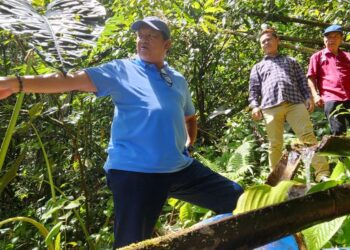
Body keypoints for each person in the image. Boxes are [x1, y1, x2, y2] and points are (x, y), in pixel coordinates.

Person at [0, 16, 243, 248]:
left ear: (167, 44)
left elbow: (189, 116)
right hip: (135, 173)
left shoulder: (177, 80)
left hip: (179, 168)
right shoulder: (121, 71)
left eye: (151, 36)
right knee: (132, 245)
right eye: (139, 35)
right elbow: (70, 80)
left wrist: (189, 143)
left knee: (238, 199)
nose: (143, 40)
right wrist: (16, 83)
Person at [248, 28, 329, 182]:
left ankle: (322, 174)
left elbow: (302, 82)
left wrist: (308, 97)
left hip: (295, 103)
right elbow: (253, 91)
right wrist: (255, 106)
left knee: (307, 137)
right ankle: (278, 181)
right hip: (270, 107)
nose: (265, 43)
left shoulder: (290, 61)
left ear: (277, 40)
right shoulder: (257, 67)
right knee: (275, 144)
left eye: (268, 39)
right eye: (262, 42)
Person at [307, 24, 350, 136]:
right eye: (328, 37)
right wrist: (316, 95)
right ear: (324, 39)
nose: (331, 40)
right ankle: (341, 154)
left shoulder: (348, 56)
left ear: (341, 39)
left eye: (335, 36)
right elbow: (311, 77)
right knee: (339, 132)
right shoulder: (317, 57)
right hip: (331, 98)